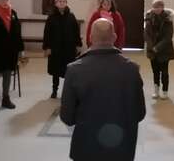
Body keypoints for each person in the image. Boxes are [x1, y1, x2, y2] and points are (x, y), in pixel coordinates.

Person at [60, 18, 146, 161]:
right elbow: (140, 113)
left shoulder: (74, 70)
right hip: (122, 149)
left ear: (91, 38)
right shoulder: (131, 69)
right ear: (114, 37)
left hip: (86, 148)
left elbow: (67, 117)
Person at [43, 0, 82, 99]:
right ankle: (54, 90)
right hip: (55, 48)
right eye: (59, 1)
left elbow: (76, 32)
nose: (62, 3)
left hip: (69, 48)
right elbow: (47, 33)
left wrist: (78, 44)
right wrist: (47, 47)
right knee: (56, 71)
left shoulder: (71, 16)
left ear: (66, 3)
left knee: (69, 71)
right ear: (56, 3)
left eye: (64, 1)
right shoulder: (51, 17)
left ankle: (68, 91)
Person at [144, 0, 174, 100]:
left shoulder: (168, 19)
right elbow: (146, 33)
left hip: (164, 50)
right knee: (155, 71)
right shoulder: (149, 18)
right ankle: (156, 90)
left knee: (164, 72)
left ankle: (165, 91)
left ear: (162, 7)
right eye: (154, 7)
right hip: (152, 49)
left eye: (158, 7)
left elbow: (168, 36)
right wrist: (151, 46)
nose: (156, 9)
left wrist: (158, 47)